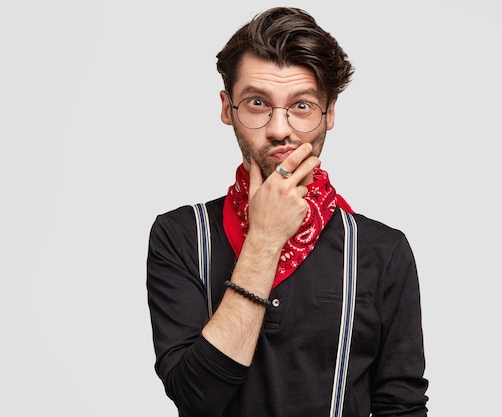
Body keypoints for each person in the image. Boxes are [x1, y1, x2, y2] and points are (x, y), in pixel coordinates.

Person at [147, 6, 429, 417]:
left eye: (301, 106)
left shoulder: (380, 250)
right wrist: (264, 238)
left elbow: (401, 406)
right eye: (258, 102)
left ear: (329, 113)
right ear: (228, 109)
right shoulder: (182, 235)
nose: (279, 128)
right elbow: (196, 397)